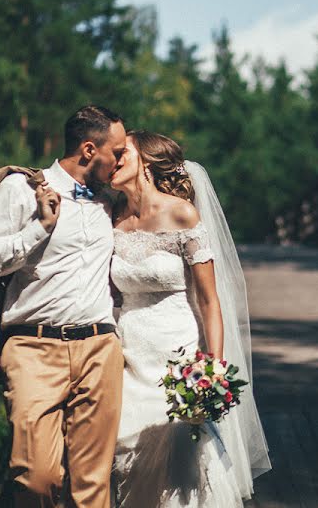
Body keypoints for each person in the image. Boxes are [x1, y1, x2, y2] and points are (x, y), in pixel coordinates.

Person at [0, 105, 128, 507]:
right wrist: (40, 229)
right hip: (33, 349)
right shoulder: (22, 190)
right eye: (117, 151)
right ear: (89, 150)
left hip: (99, 349)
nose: (122, 160)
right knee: (37, 477)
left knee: (93, 486)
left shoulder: (110, 203)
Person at [109, 130, 270, 507]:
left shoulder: (181, 213)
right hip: (128, 355)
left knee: (181, 465)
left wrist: (212, 368)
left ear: (145, 163)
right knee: (124, 456)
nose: (113, 161)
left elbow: (210, 300)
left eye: (123, 154)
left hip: (177, 354)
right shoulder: (111, 214)